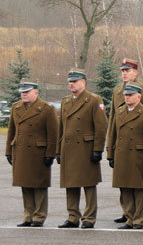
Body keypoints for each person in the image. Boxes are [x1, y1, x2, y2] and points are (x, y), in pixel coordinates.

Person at [57, 69, 108, 228]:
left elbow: (101, 126)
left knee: (89, 184)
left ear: (83, 82)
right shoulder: (65, 101)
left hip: (86, 148)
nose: (71, 84)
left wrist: (97, 149)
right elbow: (61, 128)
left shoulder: (93, 100)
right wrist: (58, 150)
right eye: (70, 81)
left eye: (75, 81)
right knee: (70, 184)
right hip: (69, 148)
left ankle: (89, 218)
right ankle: (73, 216)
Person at [5, 81, 58, 227]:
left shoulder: (46, 109)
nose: (24, 94)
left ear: (36, 93)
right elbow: (11, 132)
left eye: (27, 92)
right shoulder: (16, 107)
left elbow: (53, 134)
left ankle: (39, 216)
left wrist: (50, 154)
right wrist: (8, 151)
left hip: (38, 152)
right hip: (21, 151)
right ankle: (28, 216)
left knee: (39, 186)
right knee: (25, 184)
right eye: (22, 92)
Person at [106, 83, 143, 229]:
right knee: (125, 188)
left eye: (130, 95)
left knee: (139, 189)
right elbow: (113, 135)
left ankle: (139, 219)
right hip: (122, 154)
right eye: (126, 95)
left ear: (139, 97)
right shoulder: (120, 111)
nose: (127, 98)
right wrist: (110, 154)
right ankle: (129, 218)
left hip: (138, 155)